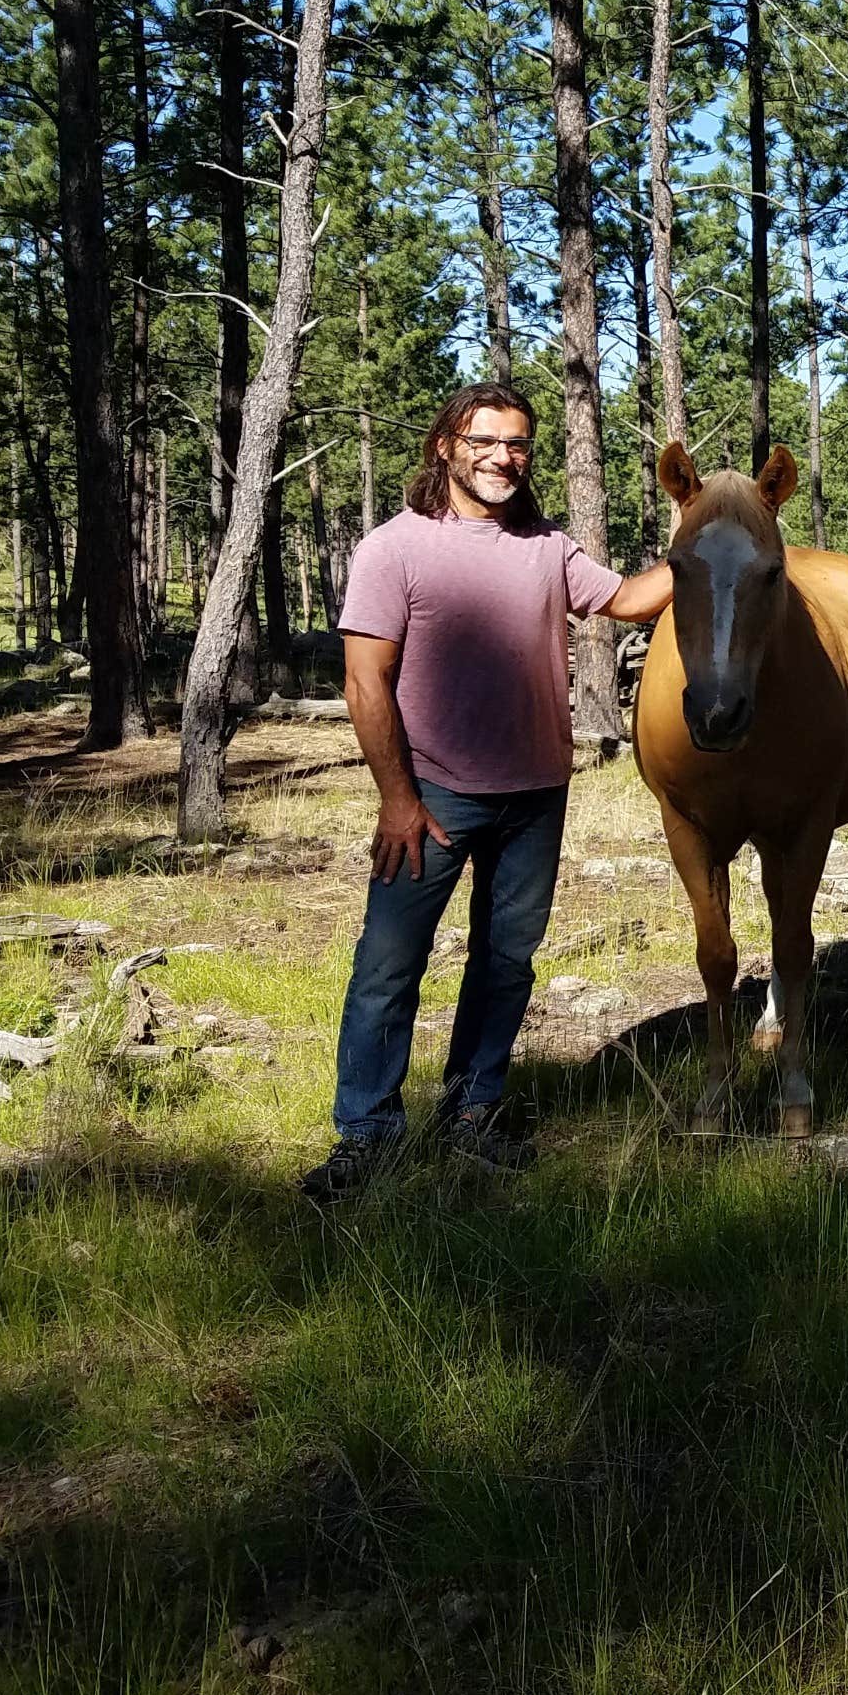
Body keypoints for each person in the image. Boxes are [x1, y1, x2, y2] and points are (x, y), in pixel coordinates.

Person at [299, 383, 674, 1202]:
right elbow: (367, 683)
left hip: (537, 793)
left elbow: (629, 600)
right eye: (486, 440)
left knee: (506, 964)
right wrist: (397, 799)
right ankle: (367, 1136)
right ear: (446, 446)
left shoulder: (547, 545)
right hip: (430, 796)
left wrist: (705, 538)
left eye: (518, 444)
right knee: (389, 967)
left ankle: (472, 1115)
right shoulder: (393, 549)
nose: (504, 456)